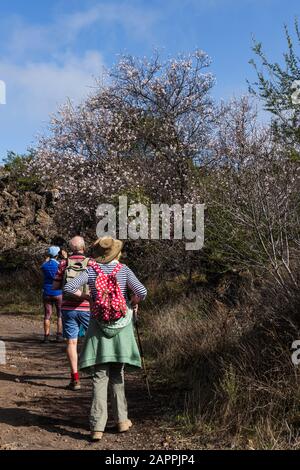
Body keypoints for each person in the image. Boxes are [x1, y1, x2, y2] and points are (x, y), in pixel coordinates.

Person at [63, 236, 147, 441]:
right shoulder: (124, 270)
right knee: (117, 374)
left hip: (98, 327)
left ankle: (96, 427)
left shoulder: (91, 271)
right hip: (122, 328)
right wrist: (133, 302)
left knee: (99, 376)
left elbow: (67, 288)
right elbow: (142, 291)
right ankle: (121, 420)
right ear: (116, 253)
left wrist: (87, 297)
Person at [53, 236, 90, 391]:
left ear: (70, 249)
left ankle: (75, 378)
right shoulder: (91, 263)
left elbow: (55, 286)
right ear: (84, 247)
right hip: (88, 307)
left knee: (71, 343)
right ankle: (96, 374)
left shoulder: (63, 263)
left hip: (68, 308)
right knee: (93, 339)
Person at [41, 246, 63, 343]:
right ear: (57, 255)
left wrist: (46, 260)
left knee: (47, 315)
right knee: (59, 315)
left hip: (47, 292)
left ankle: (46, 337)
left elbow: (42, 267)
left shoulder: (44, 265)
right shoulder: (60, 265)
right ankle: (59, 336)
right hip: (58, 292)